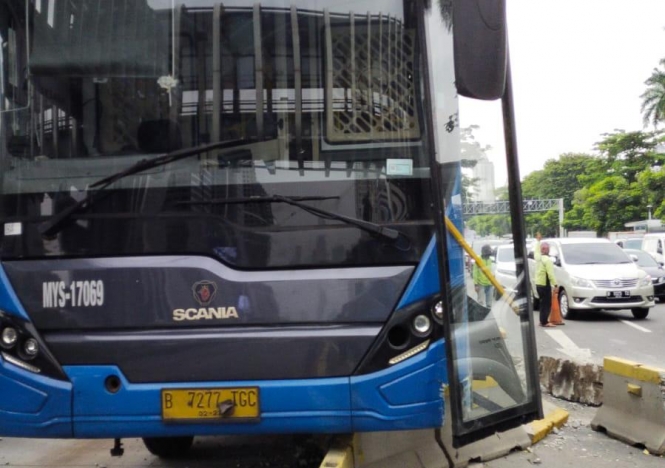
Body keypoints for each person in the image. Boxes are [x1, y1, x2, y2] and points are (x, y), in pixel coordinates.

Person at [534, 233, 558, 327]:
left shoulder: (538, 258)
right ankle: (544, 322)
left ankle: (542, 321)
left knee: (542, 303)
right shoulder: (548, 261)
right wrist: (555, 285)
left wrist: (538, 241)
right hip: (544, 285)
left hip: (538, 284)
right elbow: (551, 274)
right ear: (548, 250)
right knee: (546, 304)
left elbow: (536, 251)